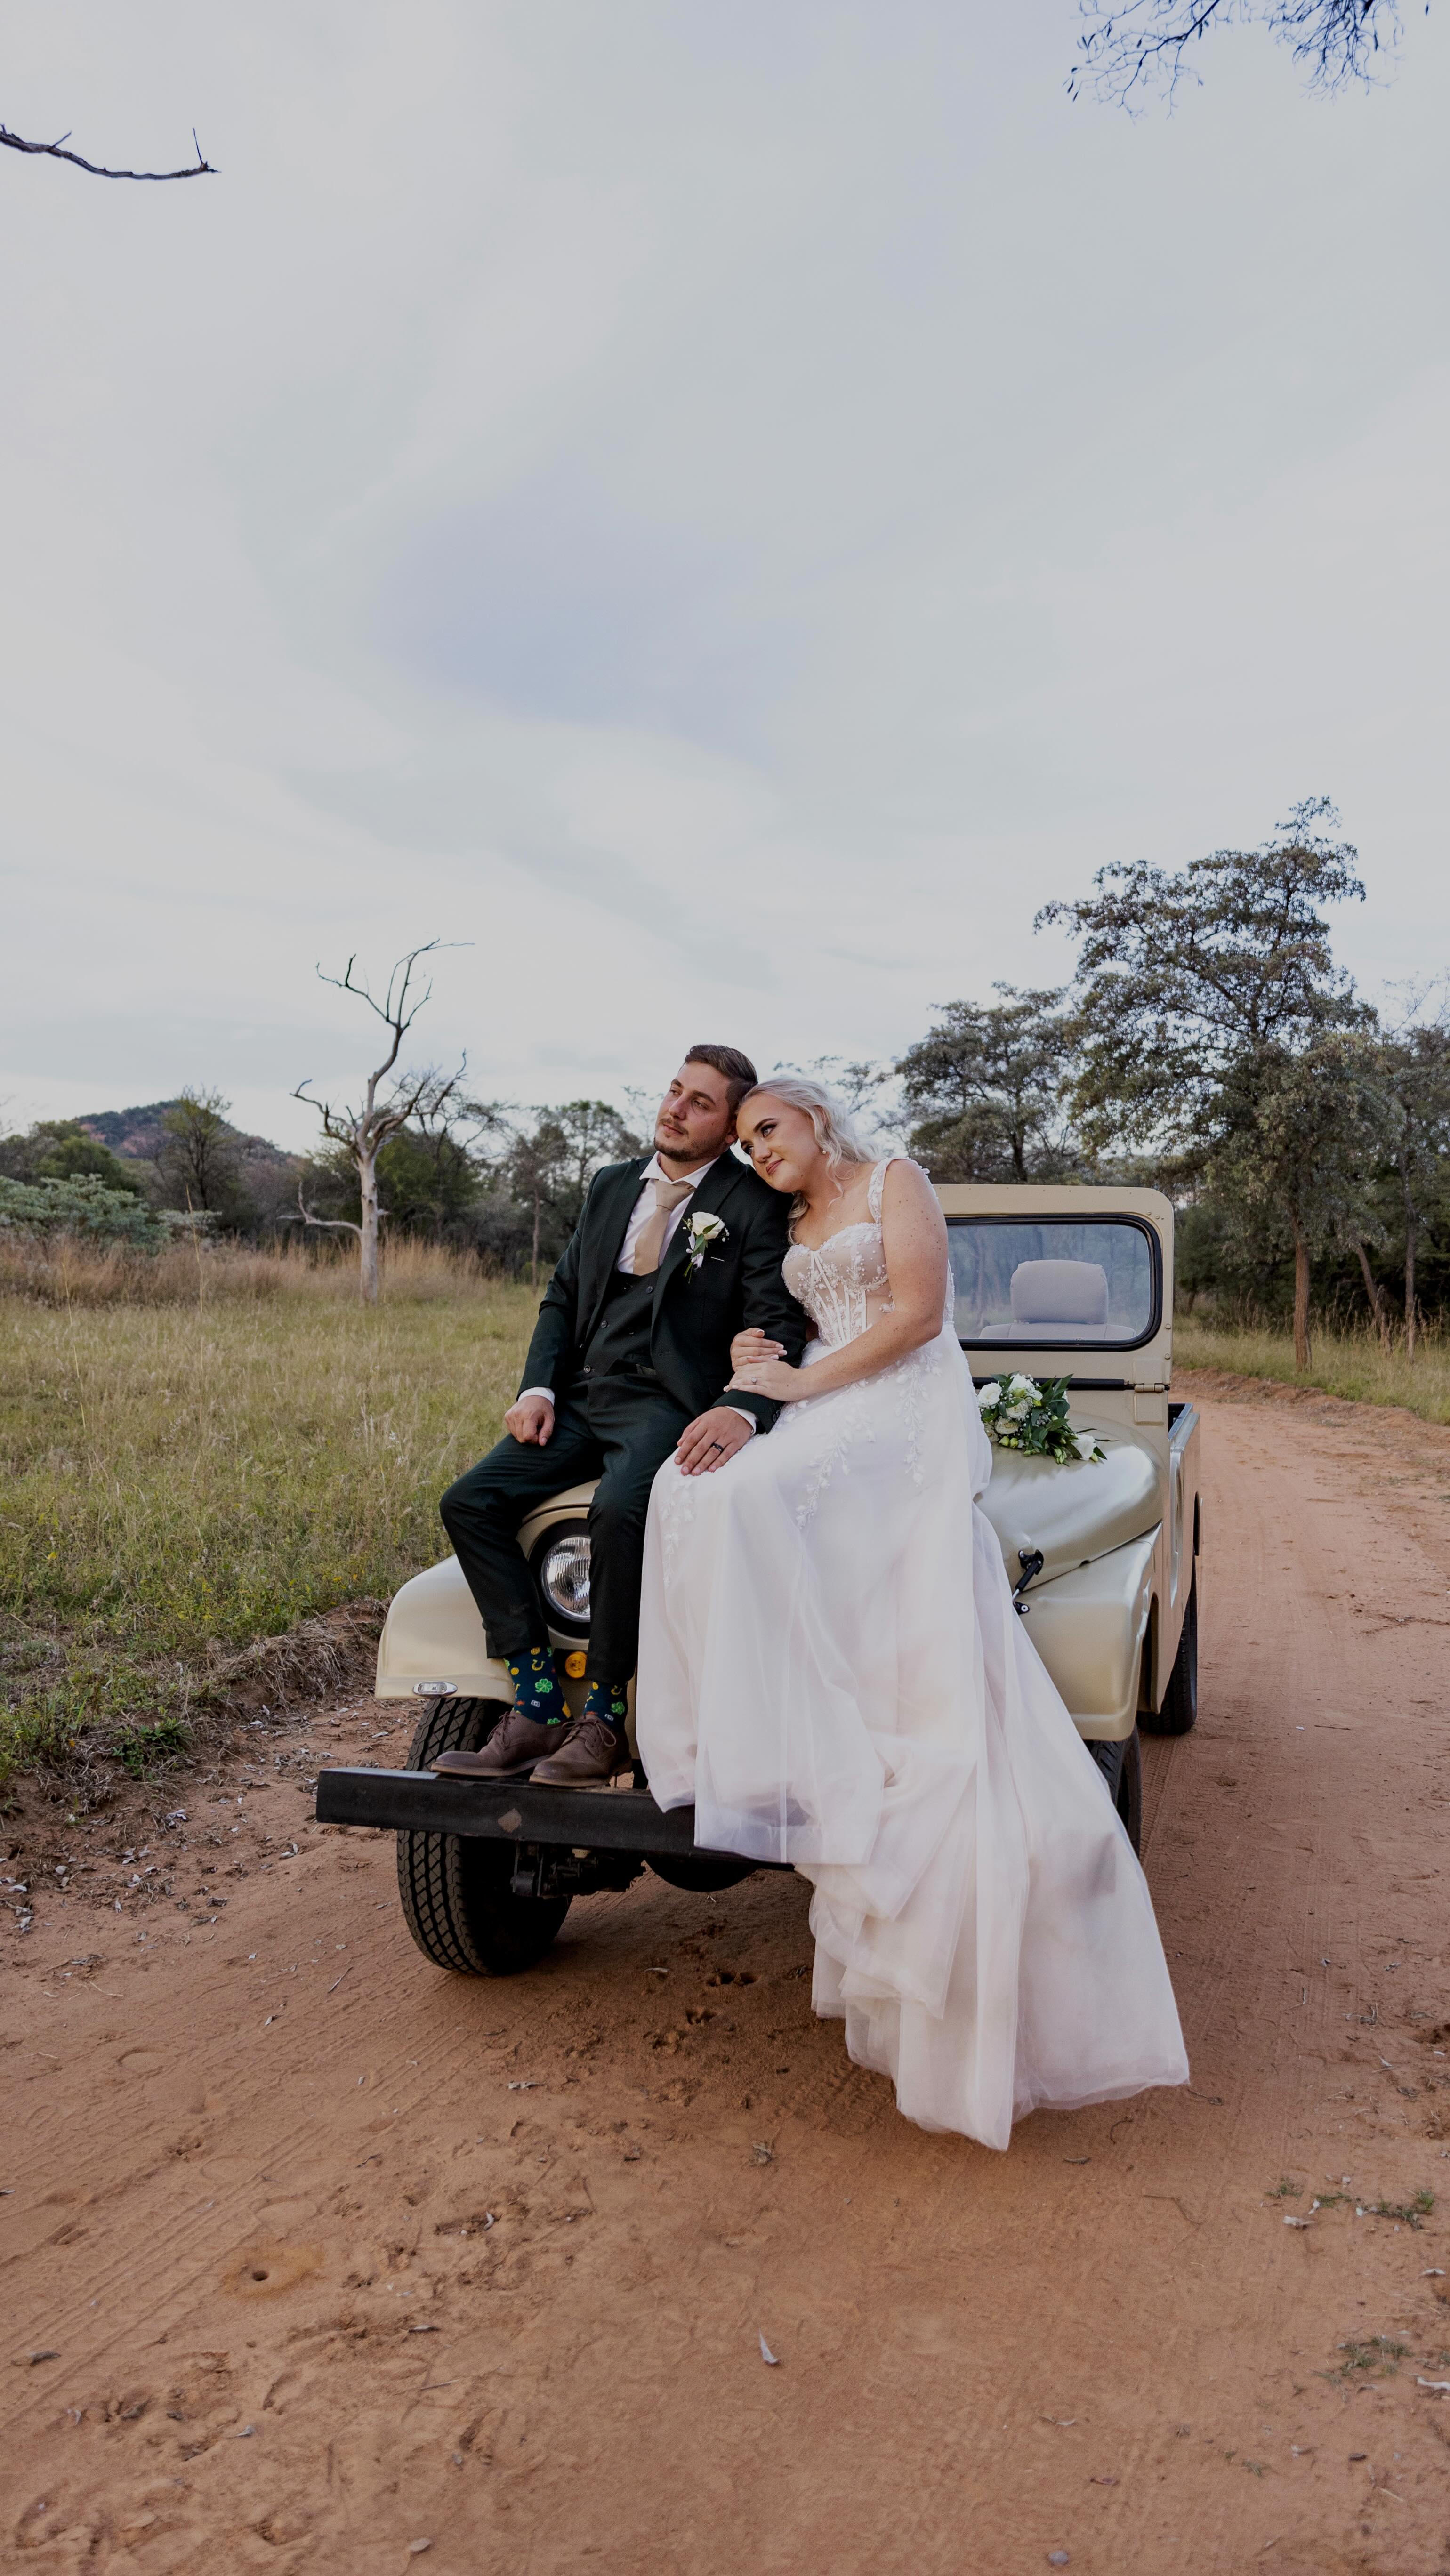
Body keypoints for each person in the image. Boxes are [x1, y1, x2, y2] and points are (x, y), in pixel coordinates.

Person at [634, 1074, 1188, 2149]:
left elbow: (917, 1316)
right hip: (827, 1389)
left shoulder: (897, 1181)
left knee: (749, 1487)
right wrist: (764, 1360)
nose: (757, 1153)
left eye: (768, 1131)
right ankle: (743, 1719)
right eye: (744, 1144)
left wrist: (796, 1392)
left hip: (906, 1402)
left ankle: (827, 1724)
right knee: (689, 1483)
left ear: (814, 1119)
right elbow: (789, 1320)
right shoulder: (783, 1221)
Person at [432, 1047, 808, 1789]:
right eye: (675, 1091)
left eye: (700, 1103)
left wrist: (743, 1406)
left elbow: (777, 1322)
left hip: (670, 1405)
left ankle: (601, 1718)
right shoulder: (610, 1186)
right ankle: (535, 1702)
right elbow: (562, 1298)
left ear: (730, 1130)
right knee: (469, 1501)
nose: (675, 1108)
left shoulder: (752, 1202)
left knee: (618, 1512)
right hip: (579, 1399)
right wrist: (538, 1389)